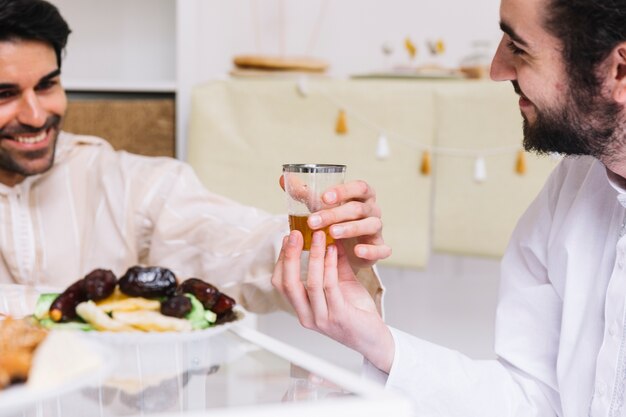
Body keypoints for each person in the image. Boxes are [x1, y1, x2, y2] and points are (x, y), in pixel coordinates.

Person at [272, 0, 626, 415]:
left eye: (519, 47)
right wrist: (372, 337)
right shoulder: (573, 186)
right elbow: (533, 400)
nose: (496, 70)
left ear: (619, 70)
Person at [0, 0, 391, 314]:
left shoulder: (123, 181)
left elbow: (232, 246)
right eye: (5, 94)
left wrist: (326, 245)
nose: (36, 116)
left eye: (48, 85)